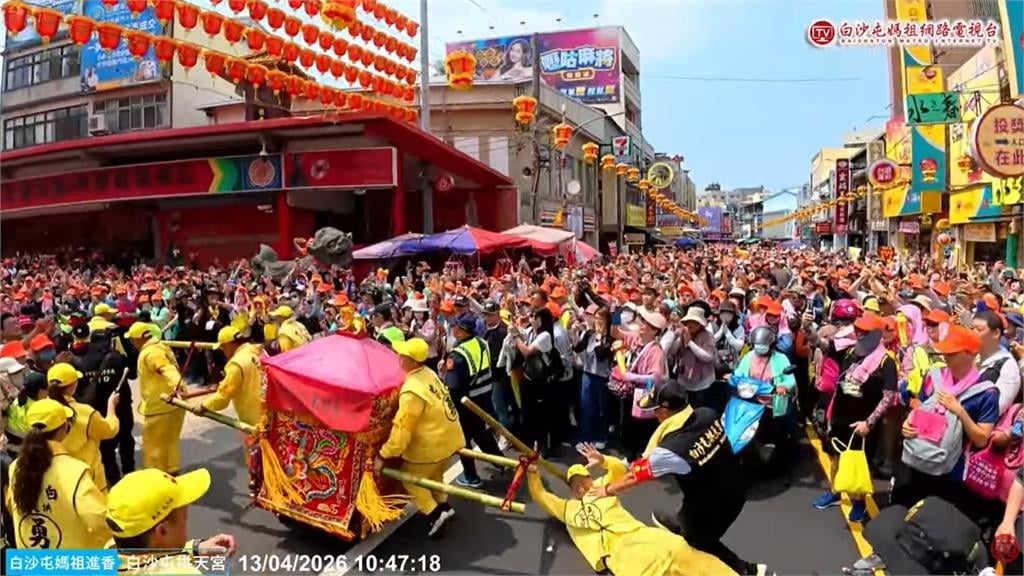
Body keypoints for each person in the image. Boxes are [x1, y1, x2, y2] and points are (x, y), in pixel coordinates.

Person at [590, 381, 763, 576]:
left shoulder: (670, 451)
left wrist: (606, 490)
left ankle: (747, 570)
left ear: (665, 410)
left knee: (699, 542)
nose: (654, 414)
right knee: (690, 522)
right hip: (736, 488)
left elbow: (633, 476)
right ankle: (685, 525)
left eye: (655, 409)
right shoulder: (708, 413)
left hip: (712, 506)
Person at [526, 444, 737, 576]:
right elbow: (542, 497)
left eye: (584, 479)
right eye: (577, 483)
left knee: (689, 558)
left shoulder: (601, 487)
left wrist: (603, 460)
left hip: (639, 544)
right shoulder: (568, 508)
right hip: (629, 554)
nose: (582, 485)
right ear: (574, 488)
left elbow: (618, 470)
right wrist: (532, 473)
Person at [810, 312, 898, 522]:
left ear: (876, 335)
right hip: (840, 416)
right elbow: (822, 345)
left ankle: (859, 502)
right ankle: (835, 492)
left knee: (860, 463)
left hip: (863, 422)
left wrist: (869, 423)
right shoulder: (850, 351)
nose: (858, 334)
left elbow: (888, 396)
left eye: (864, 331)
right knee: (834, 457)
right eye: (857, 329)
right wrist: (807, 328)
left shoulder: (886, 362)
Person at [375, 338, 463, 538]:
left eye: (402, 356)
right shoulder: (428, 373)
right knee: (434, 476)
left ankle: (434, 514)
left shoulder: (412, 390)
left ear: (412, 361)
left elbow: (402, 430)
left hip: (431, 445)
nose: (398, 358)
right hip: (450, 439)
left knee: (412, 480)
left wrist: (384, 455)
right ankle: (445, 506)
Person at [5, 398, 111, 549]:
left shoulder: (16, 467)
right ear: (64, 429)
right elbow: (99, 520)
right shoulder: (75, 471)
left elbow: (11, 505)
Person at [106, 468, 237, 575]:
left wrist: (195, 549)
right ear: (162, 530)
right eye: (184, 516)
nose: (186, 520)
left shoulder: (108, 553)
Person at [444, 313, 503, 488]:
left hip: (465, 403)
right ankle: (501, 462)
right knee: (481, 433)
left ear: (462, 331)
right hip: (484, 397)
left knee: (463, 441)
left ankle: (471, 476)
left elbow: (452, 386)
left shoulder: (457, 355)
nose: (452, 329)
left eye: (455, 326)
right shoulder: (481, 343)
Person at [73, 327, 134, 485]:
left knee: (106, 448)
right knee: (126, 439)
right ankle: (129, 473)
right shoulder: (116, 357)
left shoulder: (78, 361)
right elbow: (133, 373)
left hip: (97, 411)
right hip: (122, 407)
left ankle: (114, 479)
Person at [46, 362, 120, 491]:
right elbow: (110, 430)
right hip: (88, 477)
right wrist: (111, 407)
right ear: (73, 385)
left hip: (58, 478)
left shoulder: (42, 410)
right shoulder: (85, 412)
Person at [126, 321, 186, 474]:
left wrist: (177, 386)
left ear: (140, 338)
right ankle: (172, 470)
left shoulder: (151, 353)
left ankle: (157, 476)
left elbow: (167, 369)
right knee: (170, 442)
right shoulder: (160, 346)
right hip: (173, 404)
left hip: (161, 406)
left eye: (132, 339)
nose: (132, 342)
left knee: (153, 446)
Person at [191, 326, 262, 428]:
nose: (222, 351)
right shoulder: (258, 350)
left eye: (222, 347)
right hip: (272, 412)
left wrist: (203, 406)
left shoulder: (236, 364)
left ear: (228, 344)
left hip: (255, 420)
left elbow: (223, 398)